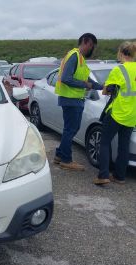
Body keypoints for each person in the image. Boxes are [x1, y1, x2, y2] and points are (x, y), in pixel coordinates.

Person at [54, 33, 104, 170]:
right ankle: (66, 160)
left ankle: (59, 155)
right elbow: (66, 78)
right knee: (71, 129)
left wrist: (102, 87)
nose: (91, 49)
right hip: (71, 99)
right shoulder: (74, 56)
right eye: (91, 46)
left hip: (74, 99)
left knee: (70, 129)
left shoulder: (80, 59)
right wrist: (84, 85)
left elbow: (88, 80)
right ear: (85, 42)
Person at [94, 41, 136, 185]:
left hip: (117, 113)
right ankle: (120, 176)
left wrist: (109, 87)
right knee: (124, 146)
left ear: (121, 52)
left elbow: (105, 90)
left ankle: (103, 175)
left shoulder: (120, 69)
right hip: (132, 115)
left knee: (105, 143)